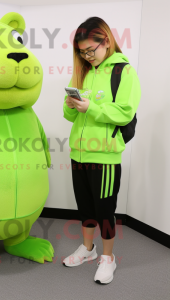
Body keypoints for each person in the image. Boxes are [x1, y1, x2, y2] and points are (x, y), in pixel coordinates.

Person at [62, 17, 141, 285]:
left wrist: (91, 108)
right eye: (81, 52)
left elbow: (125, 112)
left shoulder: (124, 72)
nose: (86, 56)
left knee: (105, 211)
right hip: (78, 153)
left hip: (105, 157)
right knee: (85, 209)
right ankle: (87, 249)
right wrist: (70, 105)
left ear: (105, 41)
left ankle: (108, 257)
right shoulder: (84, 71)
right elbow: (70, 117)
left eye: (90, 50)